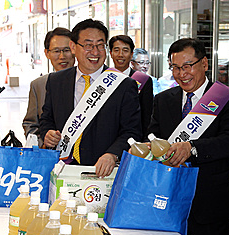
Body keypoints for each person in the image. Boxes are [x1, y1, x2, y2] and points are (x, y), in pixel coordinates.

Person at [148, 38, 229, 235]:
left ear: (205, 64)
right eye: (176, 68)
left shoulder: (226, 98)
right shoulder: (163, 100)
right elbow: (152, 136)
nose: (182, 74)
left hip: (210, 200)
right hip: (169, 197)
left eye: (188, 66)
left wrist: (192, 148)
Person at [39, 19, 141, 177]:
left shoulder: (123, 85)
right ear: (73, 47)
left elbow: (132, 131)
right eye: (88, 45)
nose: (95, 52)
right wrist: (48, 134)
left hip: (103, 173)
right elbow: (47, 119)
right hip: (63, 170)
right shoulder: (56, 81)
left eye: (100, 45)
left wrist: (112, 154)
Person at [22, 28, 75, 146]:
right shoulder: (38, 85)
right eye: (56, 51)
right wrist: (43, 143)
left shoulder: (89, 82)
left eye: (67, 50)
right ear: (47, 53)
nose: (62, 56)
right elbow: (30, 124)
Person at [109, 35, 154, 139]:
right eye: (116, 50)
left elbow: (146, 115)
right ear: (111, 53)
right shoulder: (103, 79)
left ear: (131, 54)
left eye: (125, 50)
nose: (120, 55)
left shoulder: (144, 80)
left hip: (133, 137)